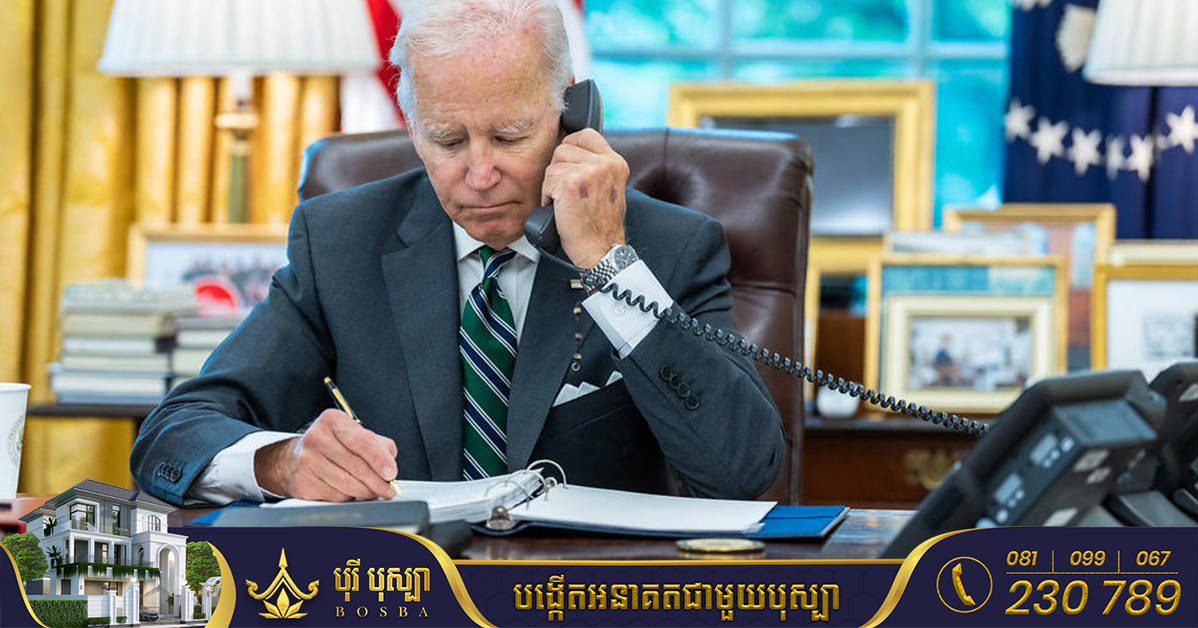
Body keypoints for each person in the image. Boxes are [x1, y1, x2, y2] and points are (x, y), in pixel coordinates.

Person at [130, 0, 784, 506]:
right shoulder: (342, 242)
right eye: (447, 140)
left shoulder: (666, 246)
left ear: (570, 110)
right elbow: (174, 433)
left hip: (584, 593)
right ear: (413, 127)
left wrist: (609, 265)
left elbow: (744, 473)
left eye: (509, 136)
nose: (479, 174)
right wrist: (279, 462)